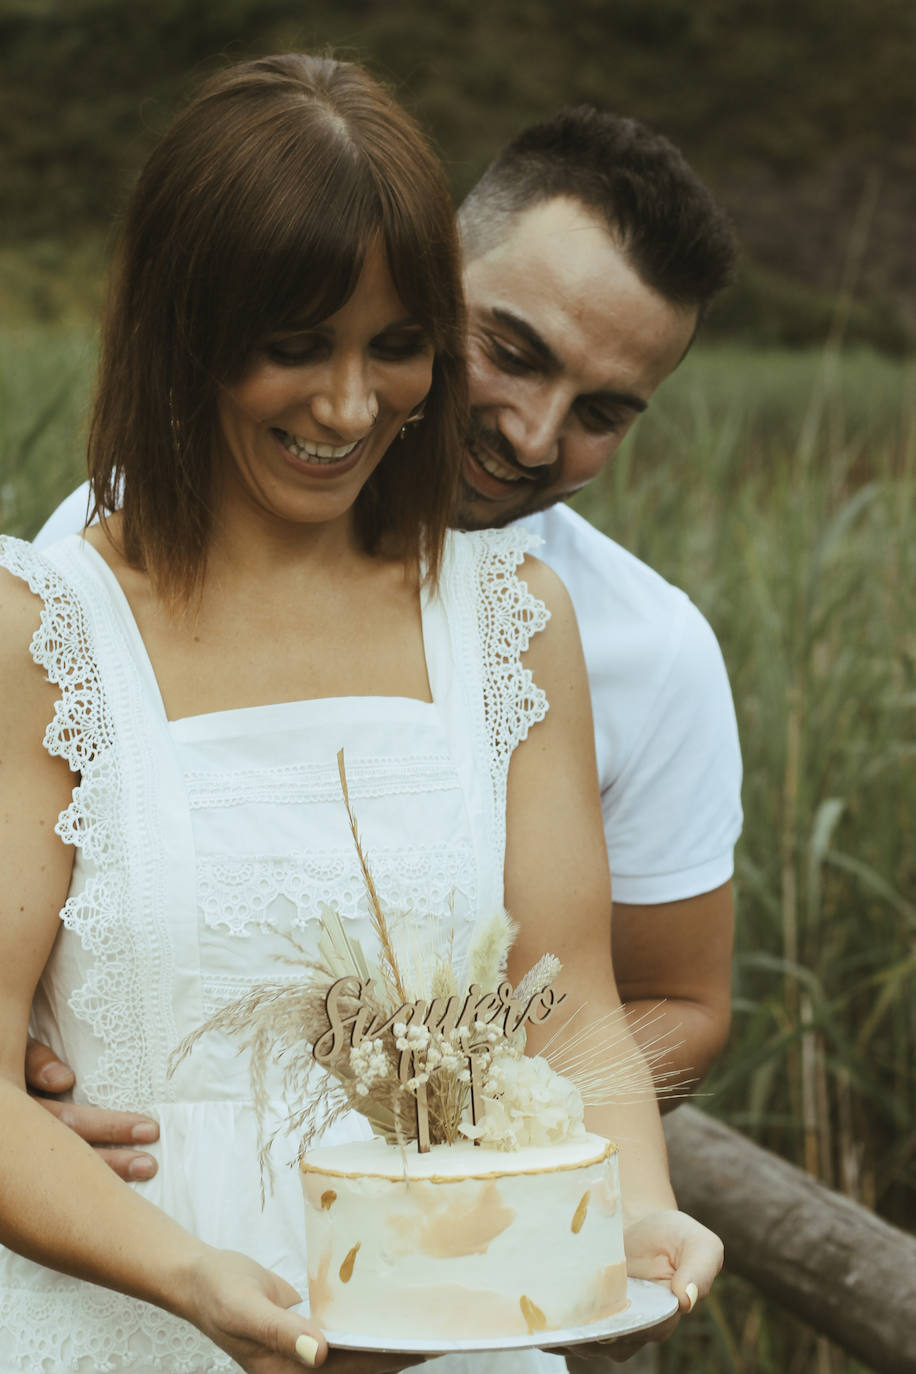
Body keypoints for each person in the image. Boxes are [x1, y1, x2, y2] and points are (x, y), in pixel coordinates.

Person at [0, 52, 721, 1374]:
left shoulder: (518, 622)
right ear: (187, 327)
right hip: (131, 1324)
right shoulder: (40, 624)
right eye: (296, 349)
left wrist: (631, 1201)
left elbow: (568, 1012)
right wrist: (188, 1273)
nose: (349, 404)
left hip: (455, 1337)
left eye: (395, 347)